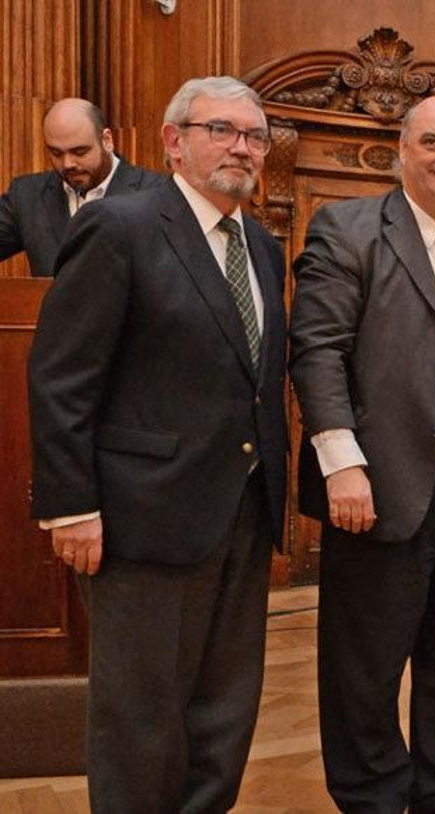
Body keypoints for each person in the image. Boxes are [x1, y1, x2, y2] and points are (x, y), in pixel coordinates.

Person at [28, 75, 287, 813]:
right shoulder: (121, 227)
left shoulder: (261, 246)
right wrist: (71, 506)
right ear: (174, 141)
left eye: (254, 135)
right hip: (141, 518)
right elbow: (61, 379)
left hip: (240, 510)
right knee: (140, 717)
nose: (241, 146)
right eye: (221, 130)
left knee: (223, 710)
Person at [289, 94, 435, 814]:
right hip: (380, 482)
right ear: (403, 148)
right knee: (366, 662)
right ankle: (373, 797)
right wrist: (341, 462)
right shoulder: (351, 228)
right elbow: (317, 350)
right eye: (433, 142)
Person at [0, 97, 162, 275]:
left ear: (107, 140)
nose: (68, 163)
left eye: (79, 152)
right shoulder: (27, 196)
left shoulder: (156, 194)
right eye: (56, 153)